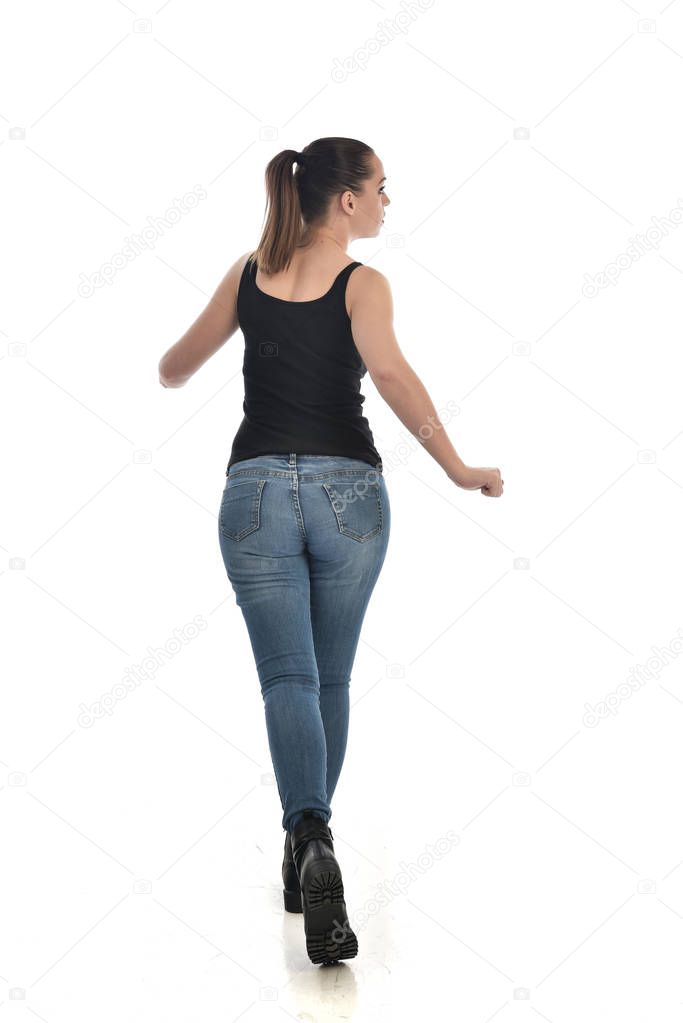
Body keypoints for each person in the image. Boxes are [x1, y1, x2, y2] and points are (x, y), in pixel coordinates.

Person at [158, 136, 504, 965]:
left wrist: (218, 343)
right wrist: (457, 466)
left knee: (287, 678)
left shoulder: (248, 273)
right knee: (331, 676)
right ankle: (314, 839)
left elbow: (172, 369)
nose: (388, 201)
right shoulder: (363, 284)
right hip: (349, 495)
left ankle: (302, 840)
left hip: (254, 496)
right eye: (382, 188)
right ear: (344, 201)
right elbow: (386, 375)